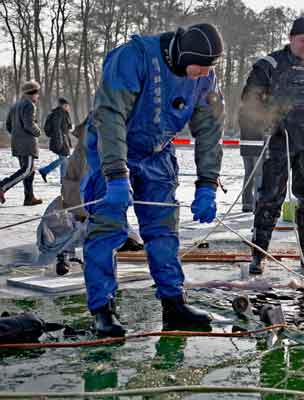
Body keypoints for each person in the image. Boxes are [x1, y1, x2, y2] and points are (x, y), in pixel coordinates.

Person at [82, 23, 225, 336]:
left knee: (163, 230)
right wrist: (116, 175)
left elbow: (210, 131)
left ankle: (174, 303)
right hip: (112, 148)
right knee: (107, 229)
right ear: (184, 55)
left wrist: (207, 184)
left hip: (157, 154)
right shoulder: (133, 58)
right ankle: (102, 309)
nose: (204, 74)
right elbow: (111, 115)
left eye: (209, 69)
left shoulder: (205, 77)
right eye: (200, 67)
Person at [240, 16, 304, 275]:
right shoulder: (271, 64)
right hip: (279, 139)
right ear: (291, 38)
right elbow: (250, 97)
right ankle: (259, 255)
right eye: (302, 40)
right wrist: (268, 119)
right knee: (269, 197)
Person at [37, 116, 143, 276]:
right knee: (78, 224)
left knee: (106, 221)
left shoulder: (102, 146)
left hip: (94, 198)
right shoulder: (89, 149)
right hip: (80, 202)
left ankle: (118, 241)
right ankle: (66, 254)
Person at [0, 80, 44, 206]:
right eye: (37, 93)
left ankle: (29, 198)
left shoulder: (15, 105)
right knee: (27, 170)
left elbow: (8, 125)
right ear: (33, 93)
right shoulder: (29, 105)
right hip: (27, 144)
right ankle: (3, 185)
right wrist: (38, 132)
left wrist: (16, 134)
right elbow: (29, 124)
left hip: (17, 142)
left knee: (30, 171)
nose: (38, 96)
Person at [238, 90, 265, 213]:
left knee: (248, 174)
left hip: (245, 146)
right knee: (258, 175)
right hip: (257, 146)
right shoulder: (258, 111)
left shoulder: (242, 110)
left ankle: (247, 203)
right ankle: (257, 203)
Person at [39, 98, 73, 183]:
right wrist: (59, 141)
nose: (69, 107)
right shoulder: (59, 113)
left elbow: (65, 128)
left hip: (62, 139)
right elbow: (57, 128)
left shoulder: (63, 113)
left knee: (64, 160)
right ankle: (45, 170)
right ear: (64, 105)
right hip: (60, 140)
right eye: (68, 106)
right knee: (64, 159)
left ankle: (63, 180)